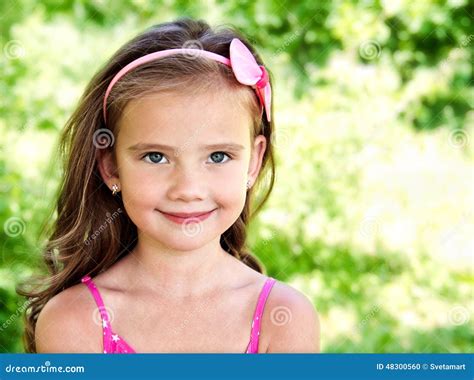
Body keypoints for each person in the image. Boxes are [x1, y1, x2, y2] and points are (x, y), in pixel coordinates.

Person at [21, 18, 320, 354]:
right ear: (110, 165)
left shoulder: (283, 318)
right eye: (155, 157)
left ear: (253, 162)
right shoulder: (73, 320)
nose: (187, 189)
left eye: (218, 156)